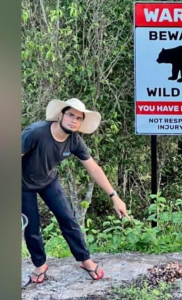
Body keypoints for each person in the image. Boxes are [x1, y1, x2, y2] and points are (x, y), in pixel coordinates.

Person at [22, 98, 130, 284]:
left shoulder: (74, 141)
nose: (74, 120)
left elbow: (94, 169)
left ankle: (85, 260)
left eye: (79, 118)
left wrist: (114, 196)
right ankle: (40, 265)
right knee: (31, 227)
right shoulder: (35, 133)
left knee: (68, 219)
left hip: (49, 181)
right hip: (22, 184)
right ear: (60, 115)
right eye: (71, 115)